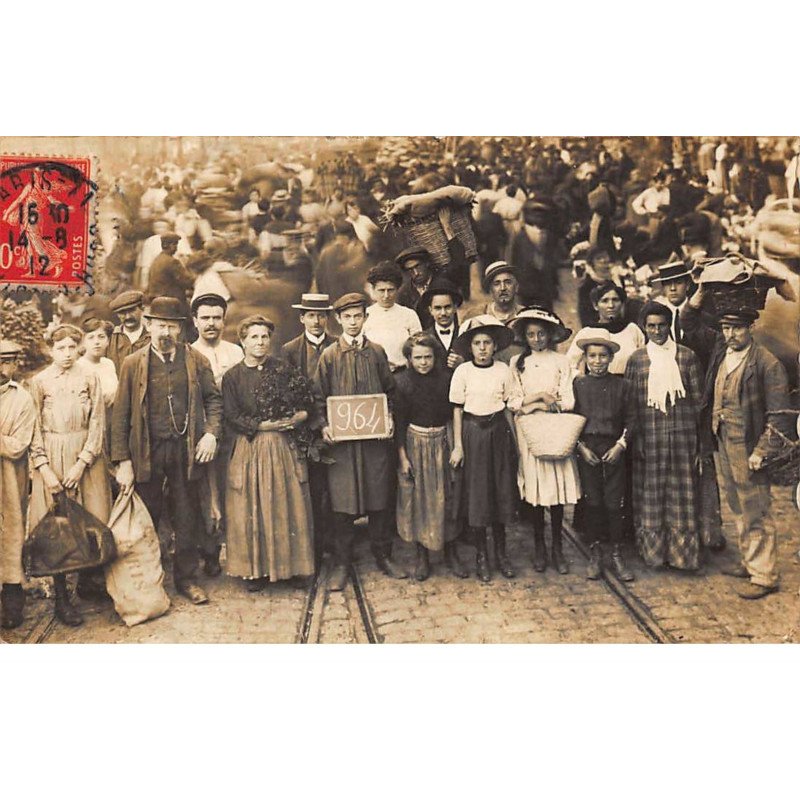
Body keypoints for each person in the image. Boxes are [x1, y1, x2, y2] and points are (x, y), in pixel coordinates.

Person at [112, 297, 223, 606]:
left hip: (185, 451)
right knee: (147, 518)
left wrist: (211, 434)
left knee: (187, 516)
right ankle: (149, 582)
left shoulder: (196, 359)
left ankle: (186, 579)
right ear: (148, 326)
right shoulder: (133, 363)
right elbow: (120, 414)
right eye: (160, 325)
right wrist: (122, 461)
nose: (166, 332)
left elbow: (214, 401)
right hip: (146, 452)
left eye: (172, 326)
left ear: (181, 328)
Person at [685, 292, 792, 599]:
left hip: (748, 445)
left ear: (751, 329)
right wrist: (699, 296)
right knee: (737, 504)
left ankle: (765, 575)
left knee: (756, 508)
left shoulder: (766, 364)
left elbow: (781, 417)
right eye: (726, 328)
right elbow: (688, 324)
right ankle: (750, 561)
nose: (730, 334)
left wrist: (761, 452)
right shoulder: (722, 350)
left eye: (737, 328)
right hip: (722, 439)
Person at [313, 293, 407, 591]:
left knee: (379, 496)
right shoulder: (329, 356)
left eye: (358, 316)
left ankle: (383, 554)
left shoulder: (377, 353)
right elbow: (317, 397)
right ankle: (341, 562)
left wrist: (389, 416)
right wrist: (324, 425)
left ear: (365, 318)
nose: (353, 322)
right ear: (338, 320)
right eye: (347, 317)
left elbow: (390, 392)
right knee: (342, 501)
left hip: (373, 443)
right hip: (343, 445)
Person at [222, 316, 316, 590]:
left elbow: (305, 404)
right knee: (253, 505)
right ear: (243, 341)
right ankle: (257, 571)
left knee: (288, 503)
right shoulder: (233, 377)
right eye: (254, 337)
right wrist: (263, 425)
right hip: (251, 447)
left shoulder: (283, 370)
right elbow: (232, 416)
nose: (260, 342)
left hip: (283, 446)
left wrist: (297, 418)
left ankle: (293, 568)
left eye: (264, 337)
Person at [28, 325, 113, 626]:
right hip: (53, 455)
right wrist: (45, 468)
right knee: (57, 528)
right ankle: (62, 598)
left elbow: (98, 424)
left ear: (79, 348)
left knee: (92, 519)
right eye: (60, 348)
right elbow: (33, 427)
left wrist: (82, 463)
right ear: (50, 350)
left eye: (71, 347)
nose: (66, 354)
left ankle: (89, 582)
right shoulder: (39, 382)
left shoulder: (90, 377)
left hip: (85, 459)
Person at [624, 301, 704, 572]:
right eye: (651, 326)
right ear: (644, 328)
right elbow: (632, 404)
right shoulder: (637, 359)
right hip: (650, 438)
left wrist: (698, 444)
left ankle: (682, 557)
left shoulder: (686, 357)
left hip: (682, 437)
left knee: (681, 494)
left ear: (670, 326)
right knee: (652, 494)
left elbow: (697, 402)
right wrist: (637, 439)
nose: (657, 331)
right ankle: (655, 555)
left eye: (661, 325)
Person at [653, 261, 727, 552]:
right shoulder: (655, 315)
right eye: (667, 284)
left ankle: (710, 531)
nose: (673, 288)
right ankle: (677, 530)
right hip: (668, 402)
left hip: (698, 401)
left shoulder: (702, 312)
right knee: (673, 466)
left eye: (678, 283)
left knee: (703, 463)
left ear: (688, 284)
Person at [508, 308, 580, 575]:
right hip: (529, 432)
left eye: (541, 334)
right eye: (531, 335)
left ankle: (558, 547)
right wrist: (538, 397)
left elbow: (569, 398)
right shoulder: (518, 362)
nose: (536, 339)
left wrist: (553, 403)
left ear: (549, 335)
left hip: (555, 428)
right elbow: (513, 400)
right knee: (536, 492)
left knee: (556, 491)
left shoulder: (561, 362)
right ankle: (539, 546)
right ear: (524, 337)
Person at [449, 315, 518, 582]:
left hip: (498, 433)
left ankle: (501, 554)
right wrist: (458, 446)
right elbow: (457, 410)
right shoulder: (463, 372)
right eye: (477, 343)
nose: (482, 348)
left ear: (494, 346)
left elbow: (509, 407)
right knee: (478, 496)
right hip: (473, 434)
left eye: (487, 342)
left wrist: (515, 443)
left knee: (501, 493)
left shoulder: (503, 370)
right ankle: (482, 555)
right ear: (470, 347)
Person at [395, 332, 468, 581]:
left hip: (443, 441)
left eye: (428, 357)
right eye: (418, 358)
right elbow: (399, 423)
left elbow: (454, 414)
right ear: (409, 359)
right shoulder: (402, 383)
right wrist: (403, 458)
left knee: (447, 497)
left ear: (435, 357)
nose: (424, 362)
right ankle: (422, 555)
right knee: (419, 499)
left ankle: (451, 551)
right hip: (415, 442)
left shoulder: (446, 380)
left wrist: (457, 446)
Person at [572, 329, 636, 581]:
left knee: (614, 501)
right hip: (588, 448)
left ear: (610, 358)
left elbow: (632, 419)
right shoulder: (579, 385)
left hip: (613, 449)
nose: (597, 361)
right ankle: (595, 551)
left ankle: (617, 552)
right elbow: (570, 417)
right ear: (585, 358)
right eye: (592, 356)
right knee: (593, 500)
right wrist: (580, 447)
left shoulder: (623, 385)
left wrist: (621, 445)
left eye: (602, 356)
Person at [280, 293, 337, 566]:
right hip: (305, 430)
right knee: (311, 488)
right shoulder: (290, 350)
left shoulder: (337, 346)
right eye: (311, 315)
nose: (316, 321)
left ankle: (334, 543)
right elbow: (287, 392)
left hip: (335, 427)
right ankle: (313, 546)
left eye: (321, 315)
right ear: (302, 318)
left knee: (334, 486)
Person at [189, 293, 244, 576]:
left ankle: (238, 549)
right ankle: (209, 551)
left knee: (233, 489)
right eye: (205, 318)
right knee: (206, 493)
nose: (211, 323)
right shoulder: (188, 354)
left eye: (216, 318)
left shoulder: (236, 352)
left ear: (224, 320)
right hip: (204, 435)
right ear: (195, 321)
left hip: (234, 434)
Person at [0, 340, 38, 629]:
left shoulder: (22, 399)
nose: (2, 368)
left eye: (8, 362)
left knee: (12, 537)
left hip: (9, 482)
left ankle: (13, 602)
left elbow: (17, 446)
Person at [567, 281, 645, 375]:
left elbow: (644, 361)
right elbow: (568, 365)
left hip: (628, 386)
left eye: (615, 300)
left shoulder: (632, 329)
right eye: (605, 301)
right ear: (596, 306)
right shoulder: (587, 332)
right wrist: (582, 382)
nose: (611, 305)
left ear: (622, 303)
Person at [362, 262, 422, 373]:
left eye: (390, 290)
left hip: (403, 373)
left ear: (397, 289)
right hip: (373, 374)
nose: (386, 296)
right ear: (373, 290)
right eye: (381, 290)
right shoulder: (364, 315)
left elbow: (419, 347)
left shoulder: (409, 315)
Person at [417, 278, 466, 373]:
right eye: (438, 308)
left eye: (447, 307)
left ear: (455, 307)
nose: (443, 313)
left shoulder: (465, 334)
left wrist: (463, 365)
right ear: (431, 310)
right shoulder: (424, 338)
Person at [146, 232, 195, 320]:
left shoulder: (157, 259)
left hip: (157, 301)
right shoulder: (172, 262)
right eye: (174, 244)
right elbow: (187, 281)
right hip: (173, 302)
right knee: (188, 325)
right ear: (166, 245)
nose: (176, 247)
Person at [106, 290, 151, 373]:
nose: (127, 317)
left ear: (142, 309)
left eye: (132, 310)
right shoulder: (110, 338)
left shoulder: (151, 338)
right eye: (122, 313)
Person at [78, 318, 118, 408]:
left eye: (101, 337)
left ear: (108, 341)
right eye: (91, 337)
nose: (96, 342)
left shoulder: (109, 364)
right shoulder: (78, 367)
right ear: (83, 342)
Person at [396, 246, 434, 327]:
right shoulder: (404, 293)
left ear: (427, 263)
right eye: (410, 270)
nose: (416, 273)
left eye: (418, 266)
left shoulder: (442, 281)